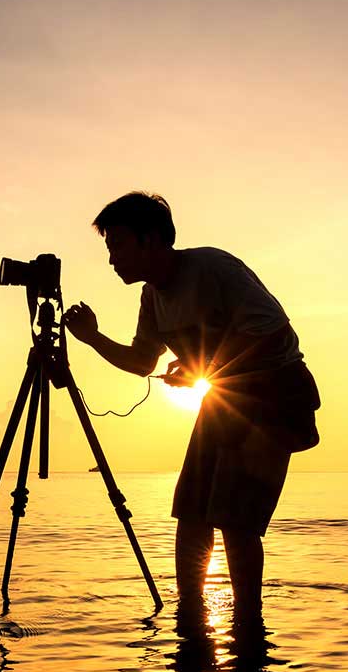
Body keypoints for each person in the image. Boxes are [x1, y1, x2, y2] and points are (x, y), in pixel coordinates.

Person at [62, 191, 320, 632]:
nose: (112, 260)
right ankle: (190, 616)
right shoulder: (152, 298)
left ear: (152, 240)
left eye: (118, 246)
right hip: (223, 400)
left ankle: (247, 625)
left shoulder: (213, 267)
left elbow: (273, 330)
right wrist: (92, 337)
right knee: (192, 511)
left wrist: (205, 366)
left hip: (274, 395)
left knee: (237, 520)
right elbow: (143, 362)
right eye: (109, 249)